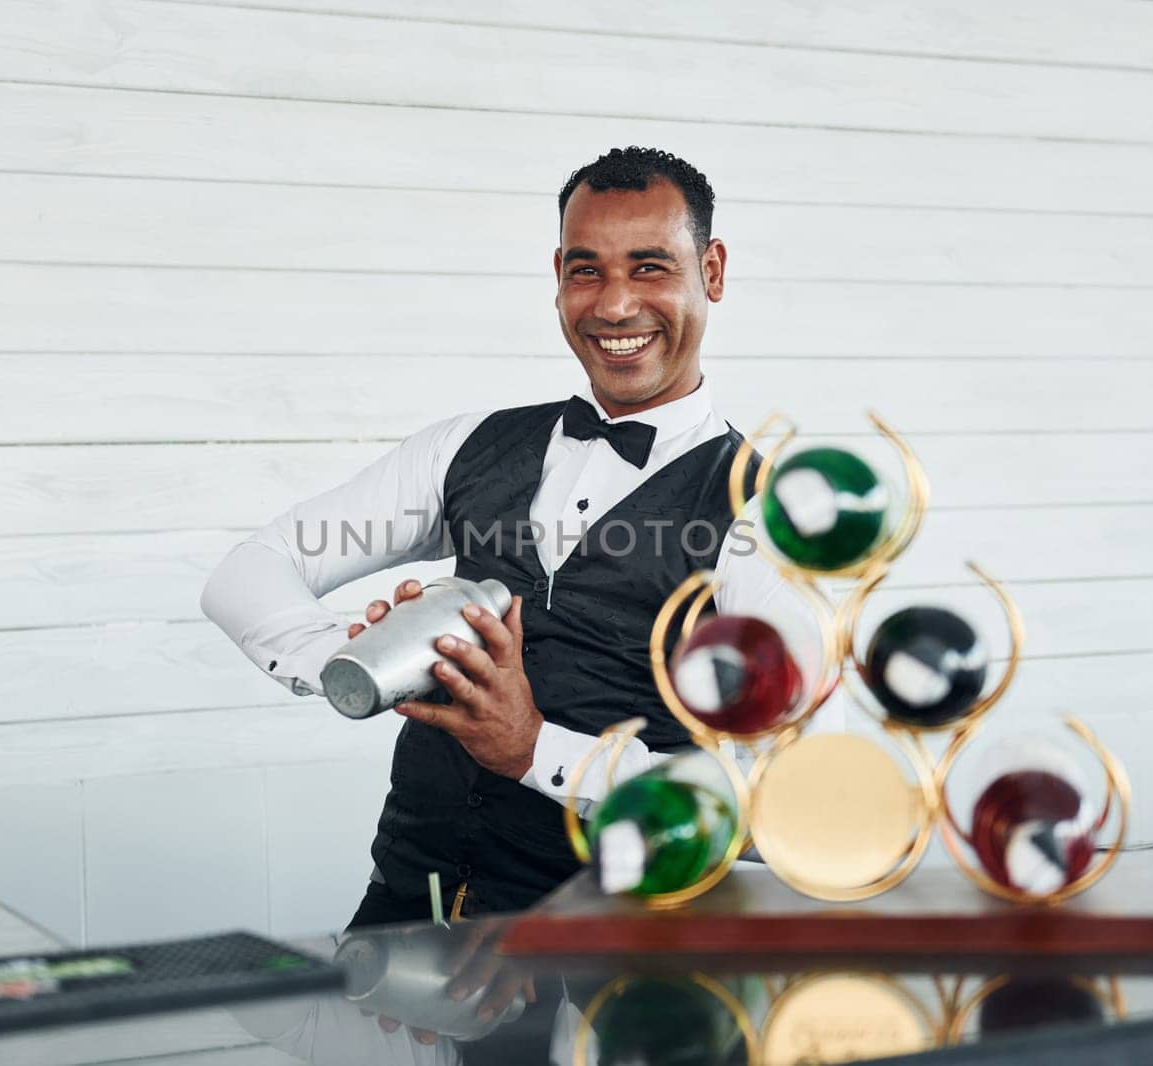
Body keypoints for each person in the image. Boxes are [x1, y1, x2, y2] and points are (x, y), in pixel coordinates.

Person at [202, 146, 811, 929]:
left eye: (651, 267)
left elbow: (785, 803)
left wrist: (537, 751)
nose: (615, 306)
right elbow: (250, 571)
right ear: (558, 274)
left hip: (610, 966)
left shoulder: (764, 517)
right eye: (586, 269)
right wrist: (357, 665)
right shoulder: (466, 445)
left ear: (713, 271)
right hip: (401, 920)